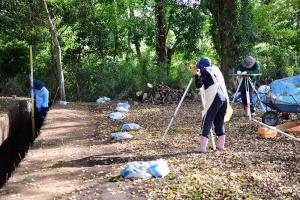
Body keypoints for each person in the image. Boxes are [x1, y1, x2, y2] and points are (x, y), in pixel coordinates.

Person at [193, 57, 233, 153]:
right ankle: (220, 145)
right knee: (219, 121)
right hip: (223, 97)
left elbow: (199, 84)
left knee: (207, 120)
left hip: (215, 97)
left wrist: (196, 75)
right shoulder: (215, 70)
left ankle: (202, 147)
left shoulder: (205, 71)